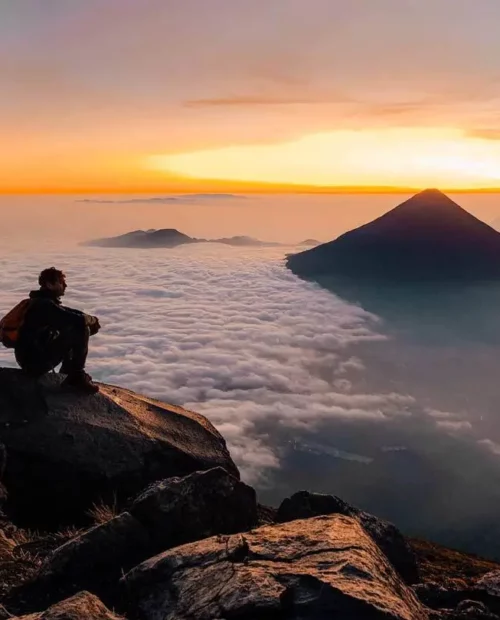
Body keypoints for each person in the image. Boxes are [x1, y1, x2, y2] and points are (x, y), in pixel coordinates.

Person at [14, 267, 101, 394]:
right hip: (34, 363)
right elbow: (77, 320)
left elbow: (71, 313)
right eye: (61, 282)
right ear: (49, 284)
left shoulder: (43, 302)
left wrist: (90, 319)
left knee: (73, 327)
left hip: (31, 358)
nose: (65, 285)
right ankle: (76, 375)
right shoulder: (44, 306)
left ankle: (68, 373)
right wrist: (89, 321)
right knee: (80, 329)